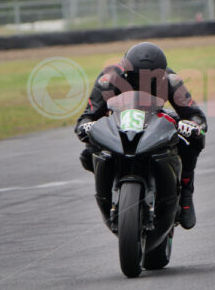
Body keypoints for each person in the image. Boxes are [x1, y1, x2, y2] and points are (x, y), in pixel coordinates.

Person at [74, 42, 207, 229]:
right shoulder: (109, 79)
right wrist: (86, 127)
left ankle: (186, 193)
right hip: (119, 128)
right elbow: (87, 116)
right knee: (88, 153)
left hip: (154, 126)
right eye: (138, 78)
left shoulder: (171, 80)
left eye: (153, 78)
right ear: (127, 73)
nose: (145, 82)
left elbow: (196, 115)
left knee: (193, 138)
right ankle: (108, 189)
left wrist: (192, 125)